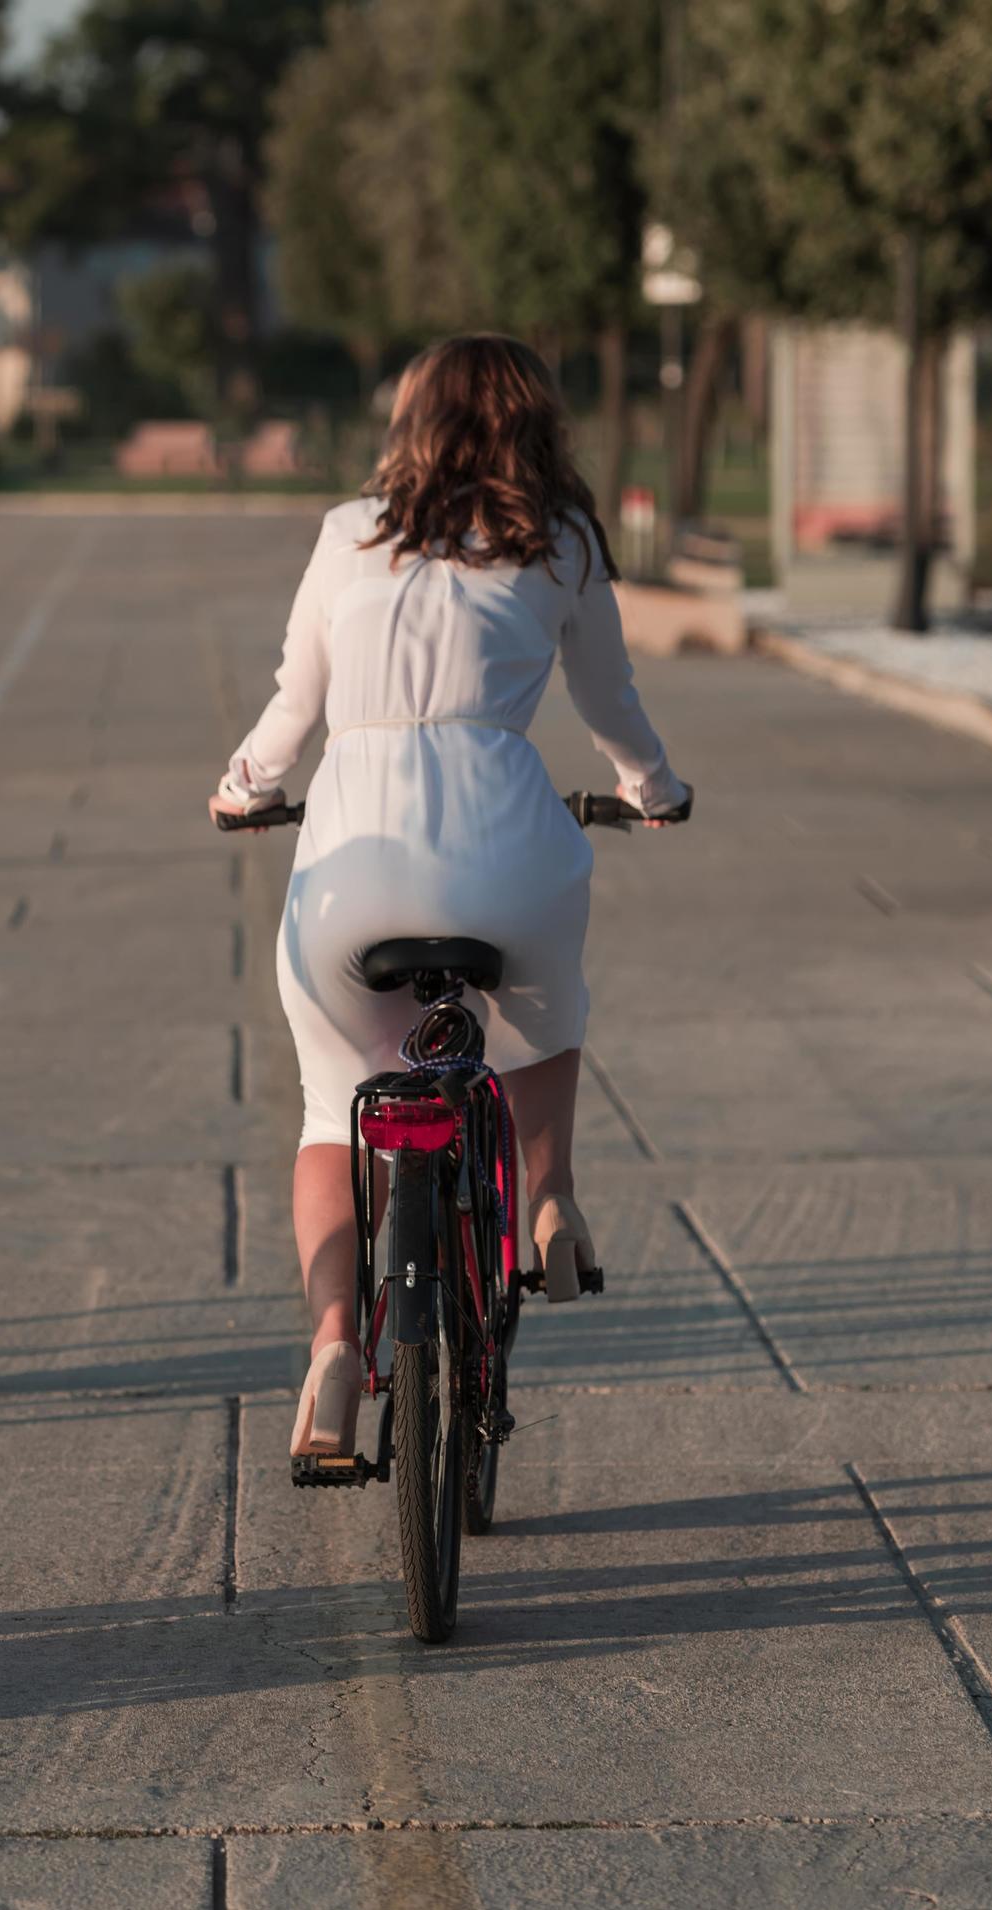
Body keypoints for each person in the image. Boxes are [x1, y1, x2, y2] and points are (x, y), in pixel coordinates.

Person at [208, 334, 690, 1466]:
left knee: (334, 1108)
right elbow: (612, 700)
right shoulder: (558, 539)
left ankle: (335, 1346)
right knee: (542, 1010)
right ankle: (549, 1200)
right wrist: (652, 791)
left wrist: (242, 791)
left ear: (409, 416)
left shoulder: (347, 533)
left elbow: (292, 708)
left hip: (353, 870)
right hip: (510, 850)